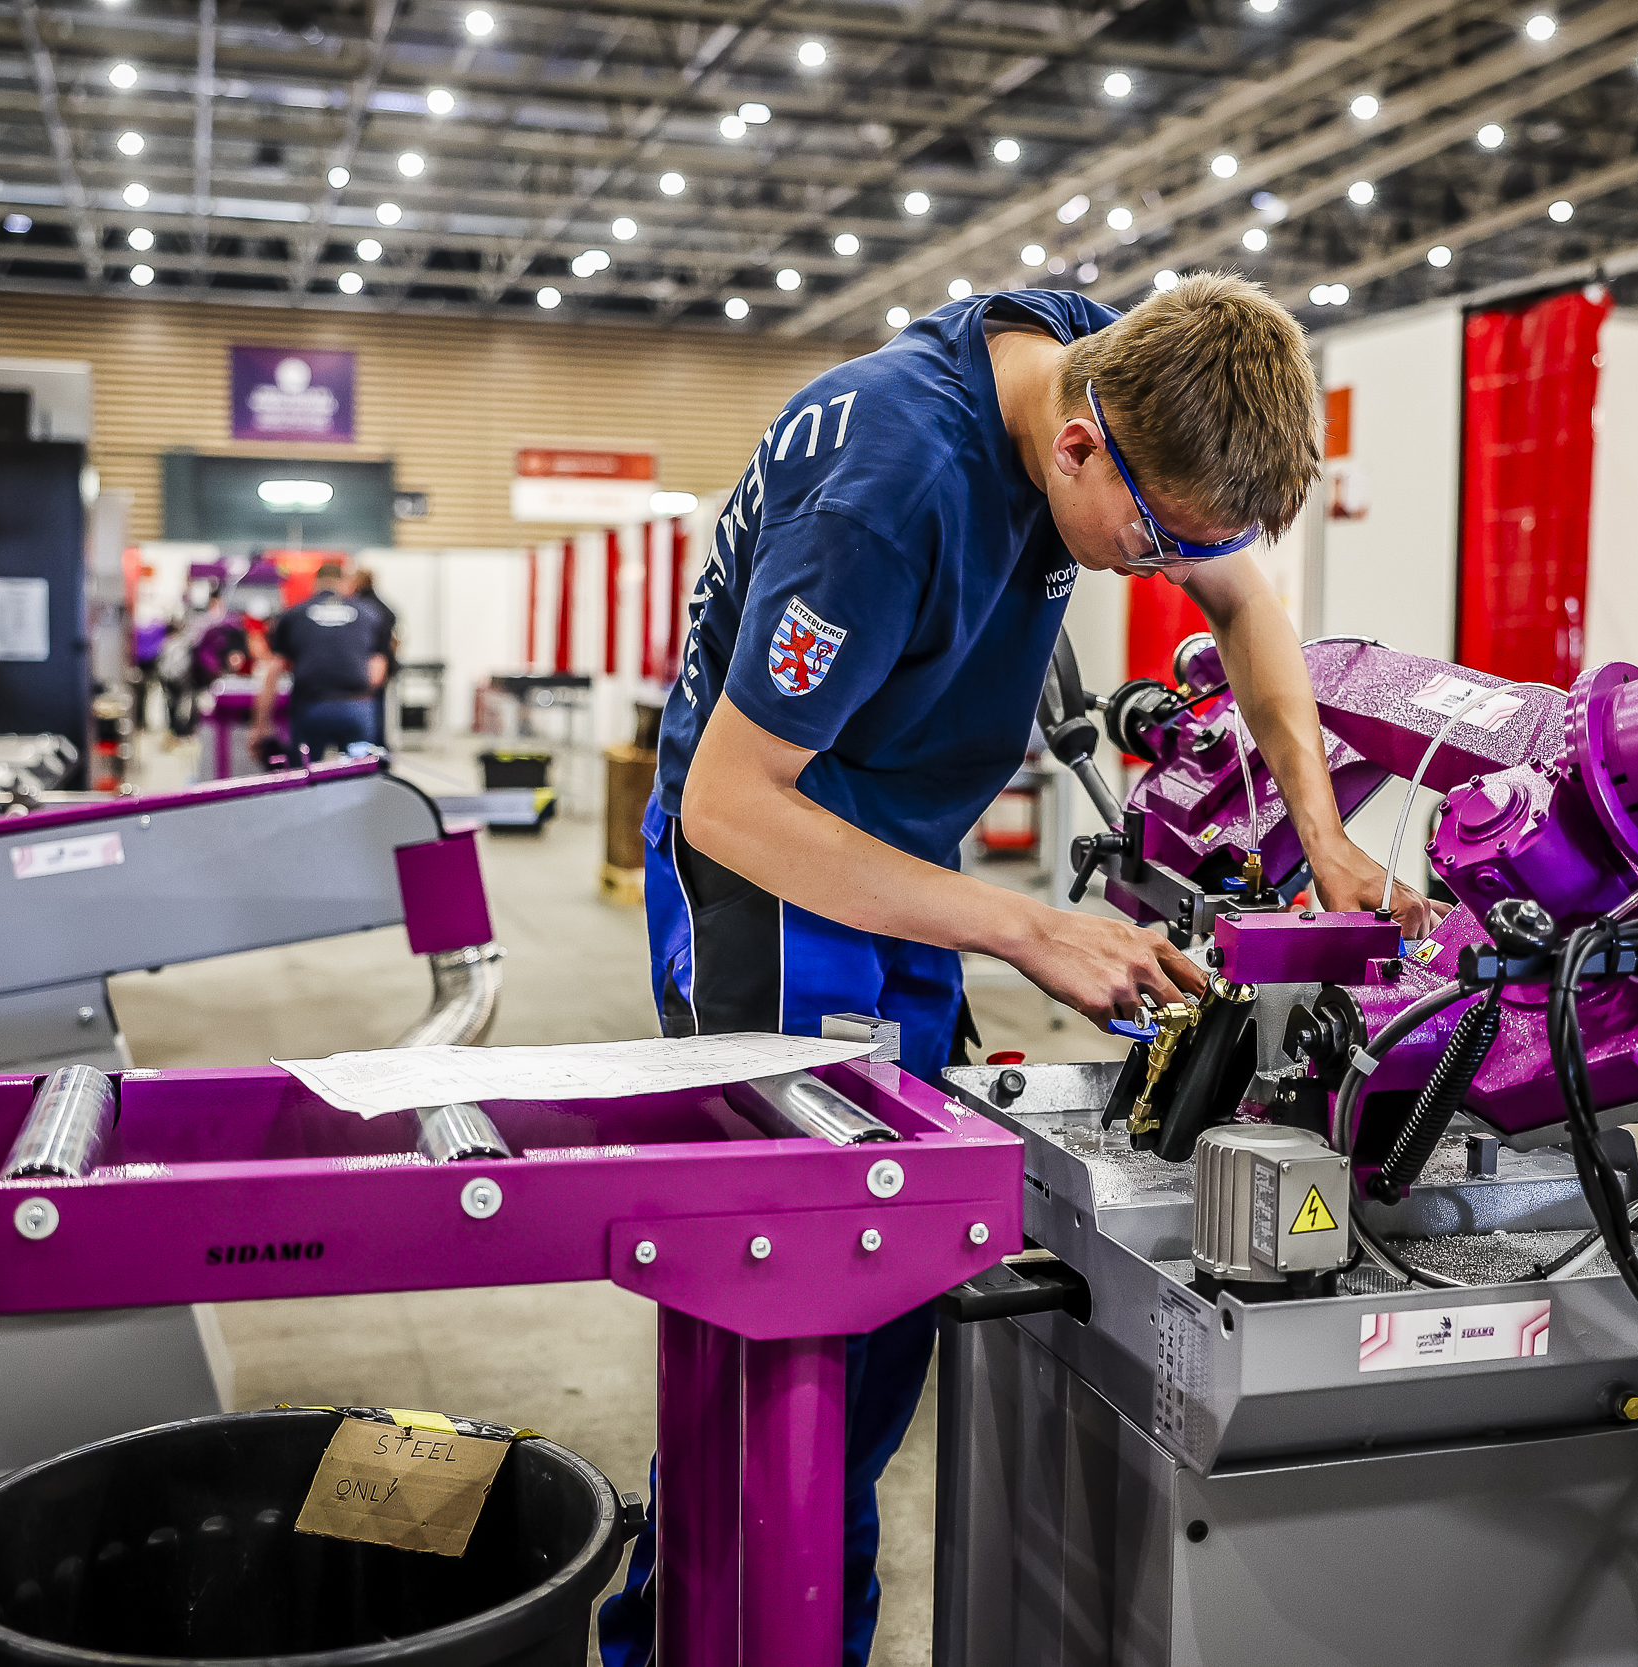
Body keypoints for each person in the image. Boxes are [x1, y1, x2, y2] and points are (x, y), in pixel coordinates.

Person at [597, 276, 1440, 1667]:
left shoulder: (1112, 366)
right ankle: (696, 1641)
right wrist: (1026, 926)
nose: (1161, 569)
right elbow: (732, 806)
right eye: (1154, 539)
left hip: (901, 862)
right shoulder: (885, 486)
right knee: (804, 1325)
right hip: (775, 871)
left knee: (884, 1307)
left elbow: (1245, 598)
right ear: (1075, 448)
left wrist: (1322, 832)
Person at [253, 559, 388, 761]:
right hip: (356, 706)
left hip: (311, 706)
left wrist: (260, 725)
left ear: (315, 584)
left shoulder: (294, 614)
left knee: (304, 777)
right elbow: (377, 673)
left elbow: (274, 669)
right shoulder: (369, 613)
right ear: (345, 583)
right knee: (361, 778)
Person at [349, 566, 399, 748]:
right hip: (382, 667)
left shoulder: (362, 606)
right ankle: (379, 755)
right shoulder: (381, 605)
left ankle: (371, 756)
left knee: (369, 715)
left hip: (368, 669)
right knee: (376, 714)